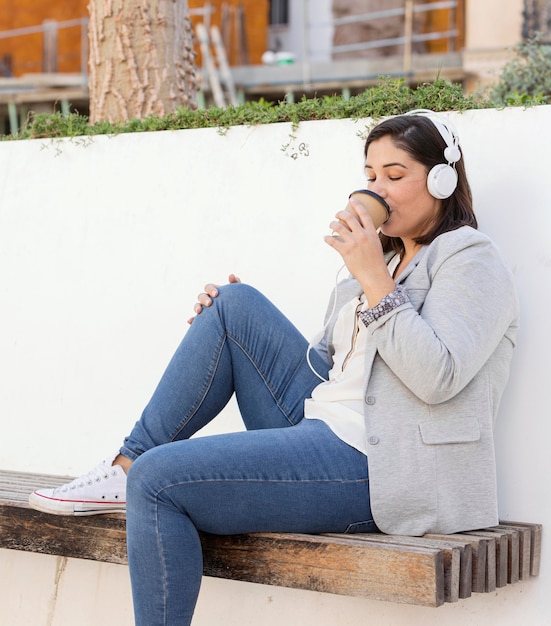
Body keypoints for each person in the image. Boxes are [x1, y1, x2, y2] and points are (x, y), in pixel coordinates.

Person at [28, 110, 520, 626]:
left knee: (157, 481)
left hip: (380, 467)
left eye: (395, 176)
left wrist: (375, 279)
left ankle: (134, 474)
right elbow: (336, 369)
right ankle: (122, 466)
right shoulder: (383, 263)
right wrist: (222, 329)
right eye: (371, 175)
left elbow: (437, 377)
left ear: (441, 180)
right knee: (234, 304)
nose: (378, 189)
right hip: (323, 430)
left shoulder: (469, 257)